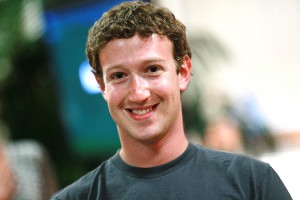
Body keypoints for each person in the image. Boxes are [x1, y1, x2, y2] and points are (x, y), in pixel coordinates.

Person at [51, 1, 292, 199]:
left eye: (152, 69)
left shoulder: (253, 184)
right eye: (119, 75)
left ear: (183, 73)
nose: (138, 93)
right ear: (102, 85)